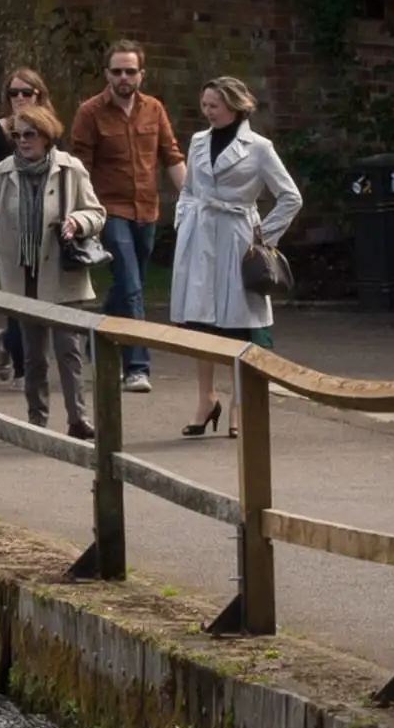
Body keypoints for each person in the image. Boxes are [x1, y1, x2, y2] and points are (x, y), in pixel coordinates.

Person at [171, 75, 307, 439]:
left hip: (237, 238)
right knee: (201, 324)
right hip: (200, 237)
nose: (208, 112)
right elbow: (188, 190)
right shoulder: (198, 141)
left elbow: (290, 196)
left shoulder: (259, 147)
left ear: (234, 106)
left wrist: (264, 236)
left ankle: (238, 406)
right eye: (204, 106)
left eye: (214, 106)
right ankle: (205, 400)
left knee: (238, 324)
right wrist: (183, 221)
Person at [0, 100, 111, 431]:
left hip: (62, 274)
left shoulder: (71, 169)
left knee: (68, 352)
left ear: (46, 135)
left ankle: (78, 420)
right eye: (17, 135)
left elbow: (97, 214)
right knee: (33, 357)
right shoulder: (2, 173)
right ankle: (36, 420)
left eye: (30, 134)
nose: (23, 141)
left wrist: (77, 223)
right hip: (21, 278)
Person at [70, 42, 178, 394]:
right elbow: (79, 166)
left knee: (128, 287)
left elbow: (170, 155)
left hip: (146, 209)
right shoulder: (90, 112)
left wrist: (193, 200)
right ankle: (136, 366)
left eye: (130, 71)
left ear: (141, 75)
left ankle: (97, 335)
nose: (123, 77)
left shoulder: (154, 109)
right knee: (131, 286)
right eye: (117, 71)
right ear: (107, 74)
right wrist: (81, 211)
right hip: (108, 211)